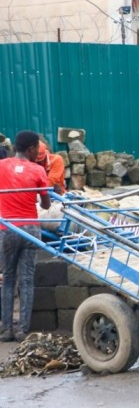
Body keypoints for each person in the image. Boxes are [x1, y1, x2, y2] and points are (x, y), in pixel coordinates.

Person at [0, 130, 51, 342]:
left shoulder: (1, 166)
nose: (39, 151)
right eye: (38, 148)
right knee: (27, 279)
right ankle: (22, 330)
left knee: (7, 279)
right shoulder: (38, 170)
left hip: (7, 230)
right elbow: (46, 203)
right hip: (30, 229)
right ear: (30, 149)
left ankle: (6, 330)